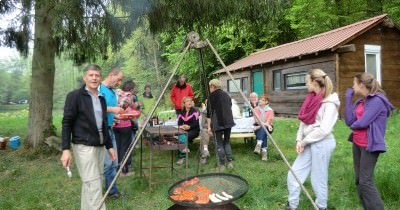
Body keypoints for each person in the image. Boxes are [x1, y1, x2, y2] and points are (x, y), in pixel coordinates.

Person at [60, 64, 117, 210]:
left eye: (97, 75)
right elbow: (66, 123)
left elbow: (104, 124)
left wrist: (109, 146)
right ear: (85, 77)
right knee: (94, 185)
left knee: (92, 182)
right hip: (83, 147)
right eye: (91, 75)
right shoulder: (75, 96)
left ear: (100, 78)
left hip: (99, 147)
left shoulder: (101, 98)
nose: (94, 78)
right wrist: (65, 149)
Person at [286, 69, 340, 210]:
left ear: (315, 82)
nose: (306, 85)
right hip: (308, 142)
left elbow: (324, 130)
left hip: (322, 143)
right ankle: (292, 206)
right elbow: (304, 120)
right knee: (294, 174)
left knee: (318, 178)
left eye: (307, 82)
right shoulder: (311, 98)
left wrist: (304, 141)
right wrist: (299, 140)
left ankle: (321, 207)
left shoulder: (329, 103)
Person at [345, 73, 394, 210]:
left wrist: (354, 125)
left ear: (361, 84)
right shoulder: (361, 101)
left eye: (354, 83)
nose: (353, 86)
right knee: (359, 180)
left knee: (365, 181)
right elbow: (349, 120)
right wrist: (348, 98)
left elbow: (363, 122)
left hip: (370, 145)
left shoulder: (377, 100)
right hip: (357, 143)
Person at [98, 67, 123, 198]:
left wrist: (117, 116)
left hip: (110, 128)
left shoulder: (112, 92)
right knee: (107, 163)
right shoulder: (99, 89)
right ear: (111, 75)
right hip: (102, 131)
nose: (119, 83)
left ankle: (111, 189)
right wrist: (113, 109)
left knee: (114, 161)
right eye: (118, 79)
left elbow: (108, 112)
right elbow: (96, 106)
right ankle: (109, 191)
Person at [207, 79, 235, 171]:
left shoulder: (211, 96)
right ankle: (230, 162)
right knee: (226, 142)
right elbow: (230, 107)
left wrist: (208, 127)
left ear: (213, 86)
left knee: (219, 143)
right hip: (228, 121)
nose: (209, 88)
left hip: (218, 122)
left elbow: (208, 114)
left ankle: (222, 164)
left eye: (210, 86)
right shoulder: (226, 95)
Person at [113, 80, 137, 175]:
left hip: (115, 123)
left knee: (117, 147)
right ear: (130, 88)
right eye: (134, 88)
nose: (134, 90)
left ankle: (116, 169)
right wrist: (136, 105)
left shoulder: (116, 92)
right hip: (125, 124)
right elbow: (129, 107)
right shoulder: (129, 95)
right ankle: (124, 170)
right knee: (125, 147)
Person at [176, 97, 200, 165]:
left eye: (190, 100)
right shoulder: (181, 112)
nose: (189, 102)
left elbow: (196, 124)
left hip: (194, 130)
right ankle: (183, 153)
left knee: (183, 136)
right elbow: (179, 123)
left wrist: (189, 127)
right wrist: (182, 126)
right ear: (184, 104)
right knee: (180, 135)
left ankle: (182, 157)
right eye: (187, 101)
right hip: (185, 130)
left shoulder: (195, 111)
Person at [253, 94, 274, 161]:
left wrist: (265, 124)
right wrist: (264, 124)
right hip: (258, 127)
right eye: (260, 99)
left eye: (262, 100)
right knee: (263, 130)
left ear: (266, 102)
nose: (260, 101)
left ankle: (259, 144)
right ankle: (264, 152)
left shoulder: (270, 110)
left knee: (263, 128)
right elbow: (257, 121)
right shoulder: (256, 109)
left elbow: (268, 122)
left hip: (267, 127)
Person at [199, 100, 211, 164]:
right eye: (207, 104)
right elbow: (203, 124)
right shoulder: (205, 112)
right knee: (204, 132)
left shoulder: (218, 111)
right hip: (207, 130)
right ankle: (205, 153)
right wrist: (209, 127)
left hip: (216, 130)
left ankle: (204, 156)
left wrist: (211, 126)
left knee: (203, 133)